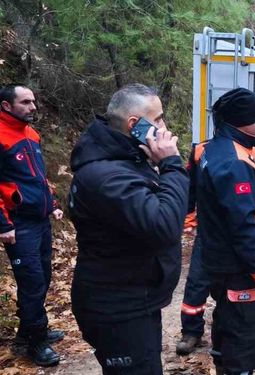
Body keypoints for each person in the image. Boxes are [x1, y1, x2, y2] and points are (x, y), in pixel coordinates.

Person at [69, 83, 189, 374]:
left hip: (136, 297)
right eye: (159, 119)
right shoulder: (106, 175)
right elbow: (163, 226)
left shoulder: (126, 157)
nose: (165, 126)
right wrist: (172, 164)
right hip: (118, 308)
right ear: (134, 124)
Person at [197, 88, 255, 375]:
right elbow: (243, 223)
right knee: (246, 330)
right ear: (243, 120)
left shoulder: (220, 147)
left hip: (220, 260)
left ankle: (223, 362)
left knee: (228, 317)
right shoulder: (234, 161)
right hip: (239, 267)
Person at [0, 84, 64, 366]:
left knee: (43, 278)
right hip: (18, 223)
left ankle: (29, 332)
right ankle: (35, 344)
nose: (33, 107)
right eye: (25, 102)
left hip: (41, 220)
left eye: (34, 102)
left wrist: (52, 203)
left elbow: (37, 177)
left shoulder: (31, 134)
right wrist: (3, 224)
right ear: (6, 106)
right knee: (32, 283)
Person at [176, 141, 210, 355]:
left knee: (232, 287)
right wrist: (188, 219)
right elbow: (191, 188)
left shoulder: (252, 149)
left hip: (237, 231)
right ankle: (191, 332)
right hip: (208, 232)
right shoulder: (200, 151)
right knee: (197, 282)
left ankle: (228, 335)